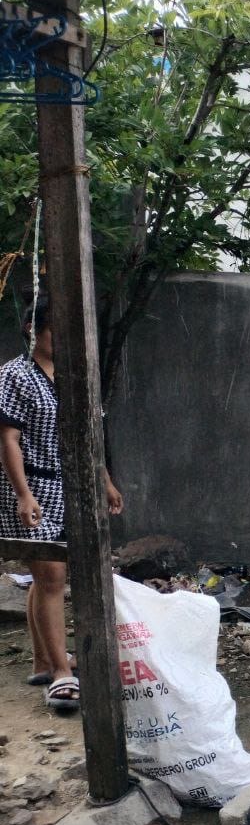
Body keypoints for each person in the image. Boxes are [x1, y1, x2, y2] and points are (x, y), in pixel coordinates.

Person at [0, 302, 124, 711]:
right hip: (32, 486)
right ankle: (60, 673)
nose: (62, 341)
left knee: (48, 576)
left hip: (71, 488)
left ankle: (42, 658)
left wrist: (105, 481)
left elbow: (90, 434)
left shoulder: (76, 375)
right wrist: (22, 494)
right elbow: (8, 440)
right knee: (51, 576)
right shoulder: (13, 375)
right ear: (33, 329)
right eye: (55, 332)